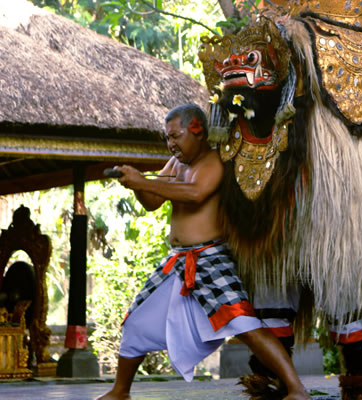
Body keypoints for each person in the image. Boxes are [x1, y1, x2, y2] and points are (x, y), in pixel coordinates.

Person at [97, 104, 309, 400]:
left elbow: (195, 194)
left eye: (176, 136)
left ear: (196, 130)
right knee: (136, 320)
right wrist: (135, 184)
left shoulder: (214, 161)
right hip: (177, 261)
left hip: (211, 258)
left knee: (244, 325)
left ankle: (296, 389)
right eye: (167, 138)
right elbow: (152, 202)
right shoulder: (174, 164)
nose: (171, 144)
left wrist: (144, 182)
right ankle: (120, 392)